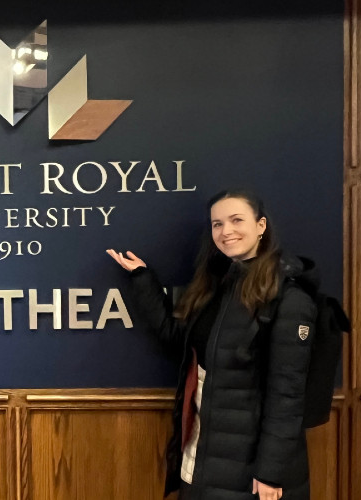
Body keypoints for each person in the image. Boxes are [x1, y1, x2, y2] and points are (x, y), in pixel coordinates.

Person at [107, 189, 316, 500]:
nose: (226, 231)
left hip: (252, 470)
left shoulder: (288, 297)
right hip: (202, 453)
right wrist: (142, 279)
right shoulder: (216, 286)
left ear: (261, 226)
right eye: (217, 224)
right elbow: (177, 339)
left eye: (236, 220)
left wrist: (271, 472)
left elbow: (287, 395)